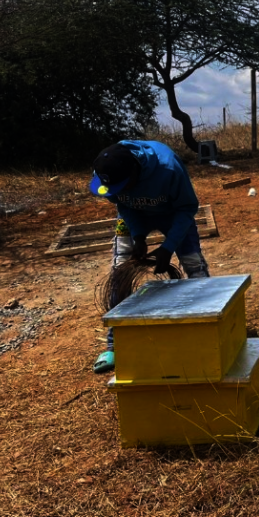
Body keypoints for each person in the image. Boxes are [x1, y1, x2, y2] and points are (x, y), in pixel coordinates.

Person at [89, 140, 210, 374]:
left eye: (122, 187)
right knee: (120, 271)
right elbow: (123, 206)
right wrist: (139, 236)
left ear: (136, 172)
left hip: (174, 214)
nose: (118, 193)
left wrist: (168, 247)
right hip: (133, 217)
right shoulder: (106, 174)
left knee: (194, 266)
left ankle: (209, 327)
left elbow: (187, 208)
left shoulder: (168, 169)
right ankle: (115, 344)